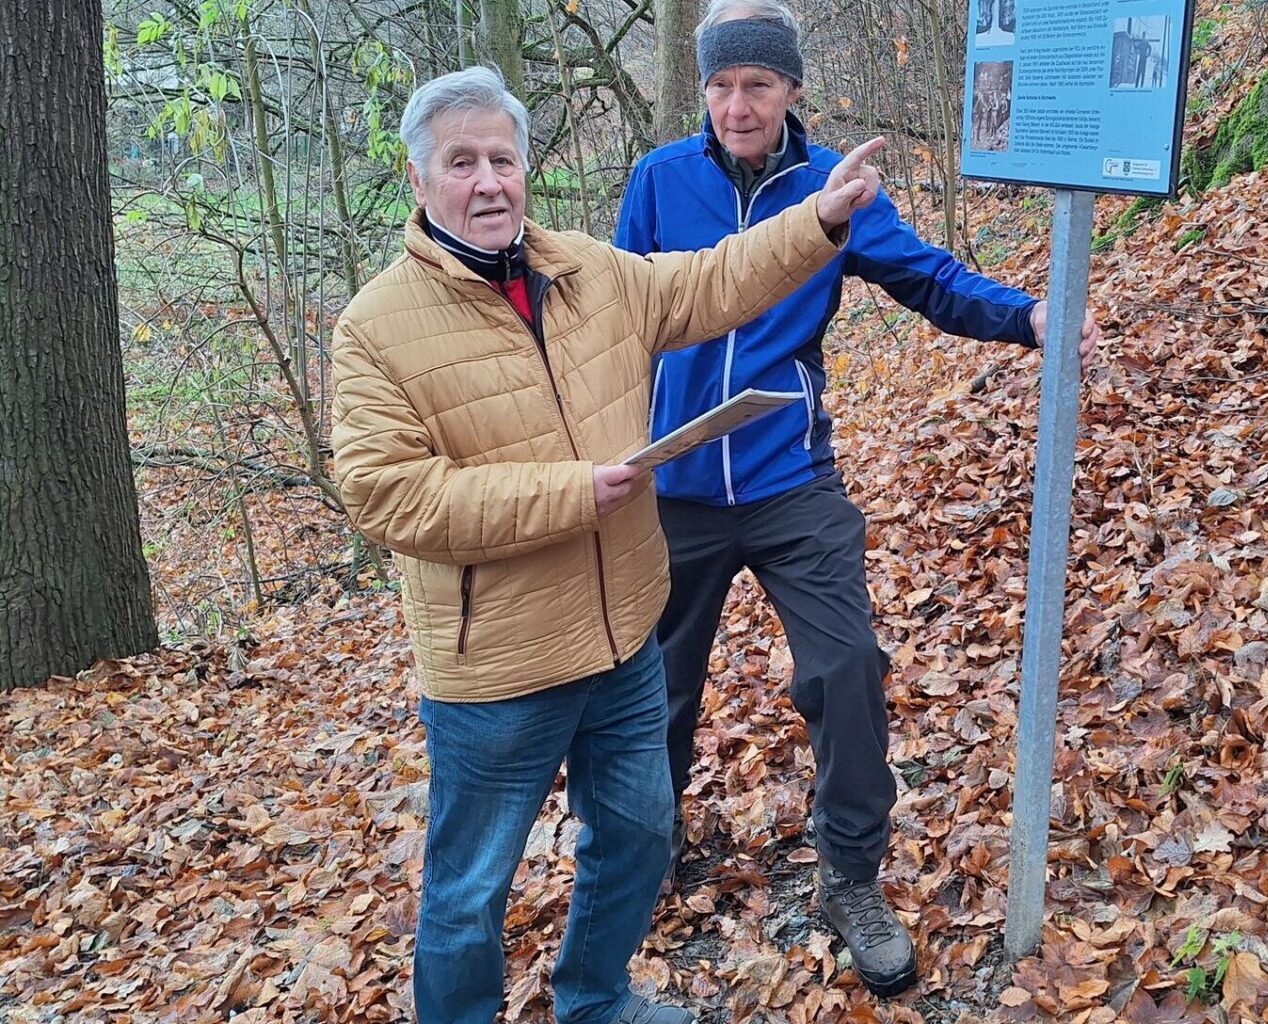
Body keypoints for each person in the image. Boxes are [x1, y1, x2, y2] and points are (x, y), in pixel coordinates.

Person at [329, 66, 883, 1024]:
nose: (489, 181)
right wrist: (570, 495)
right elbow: (386, 493)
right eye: (462, 163)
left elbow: (710, 281)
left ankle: (593, 997)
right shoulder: (376, 327)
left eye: (503, 158)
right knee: (468, 894)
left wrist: (819, 220)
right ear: (420, 182)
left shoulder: (589, 271)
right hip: (497, 666)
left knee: (633, 837)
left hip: (624, 635)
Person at [613, 0, 1099, 998]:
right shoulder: (660, 180)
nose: (735, 105)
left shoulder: (835, 188)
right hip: (678, 489)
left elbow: (931, 280)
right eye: (719, 85)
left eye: (755, 84)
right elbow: (616, 313)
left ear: (791, 89)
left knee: (846, 668)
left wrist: (1032, 315)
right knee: (654, 690)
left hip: (793, 479)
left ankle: (850, 873)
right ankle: (645, 854)